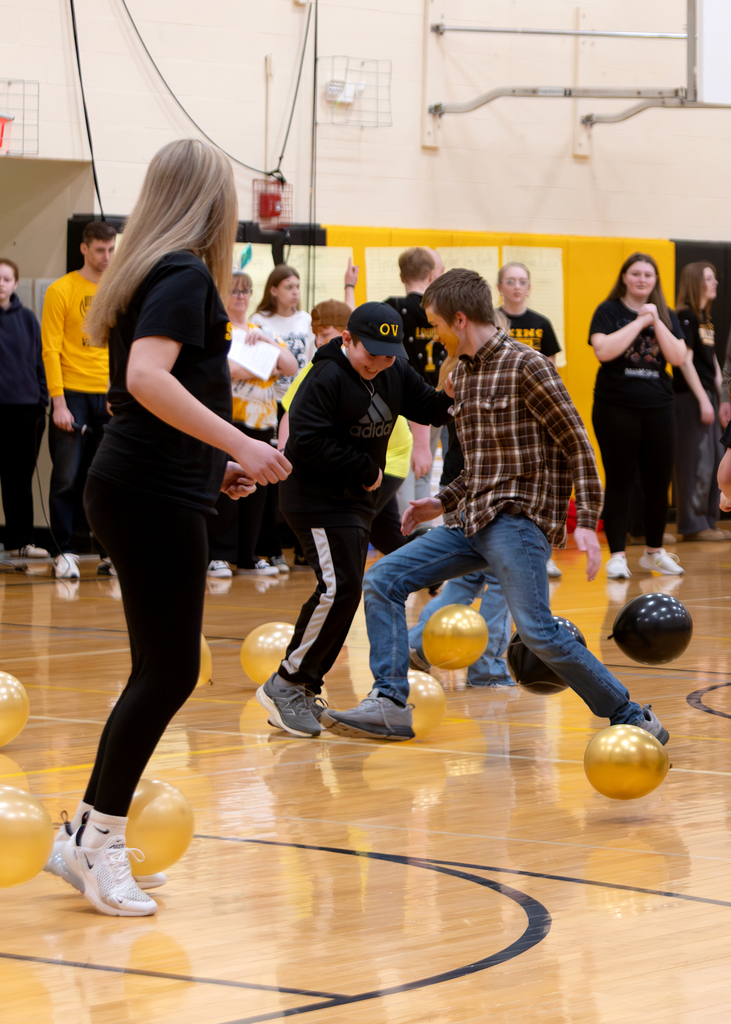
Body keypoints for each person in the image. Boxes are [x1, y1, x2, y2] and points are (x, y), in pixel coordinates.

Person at [44, 139, 290, 917]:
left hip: (151, 481)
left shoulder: (157, 269)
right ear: (211, 202)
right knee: (170, 670)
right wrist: (239, 443)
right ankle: (97, 843)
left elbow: (152, 390)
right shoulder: (184, 272)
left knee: (159, 666)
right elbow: (146, 379)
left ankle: (85, 833)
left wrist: (210, 465)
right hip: (147, 491)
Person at [321, 269, 669, 746]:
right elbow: (482, 469)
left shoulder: (529, 366)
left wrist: (588, 523)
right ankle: (388, 704)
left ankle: (630, 713)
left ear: (459, 319)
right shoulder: (460, 375)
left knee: (539, 633)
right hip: (471, 521)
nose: (434, 335)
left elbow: (578, 445)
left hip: (518, 521)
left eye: (437, 325)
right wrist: (437, 503)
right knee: (382, 579)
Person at [256, 301, 453, 739]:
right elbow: (304, 442)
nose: (379, 363)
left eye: (388, 355)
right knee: (339, 586)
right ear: (347, 339)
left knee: (345, 591)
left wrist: (455, 386)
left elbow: (431, 409)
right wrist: (366, 471)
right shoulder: (325, 377)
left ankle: (302, 683)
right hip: (314, 498)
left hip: (353, 501)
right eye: (371, 353)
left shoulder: (394, 372)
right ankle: (287, 683)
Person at [278, 298, 416, 558]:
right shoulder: (323, 368)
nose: (320, 341)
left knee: (353, 536)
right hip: (362, 463)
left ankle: (427, 568)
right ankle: (429, 571)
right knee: (384, 535)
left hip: (385, 461)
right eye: (316, 335)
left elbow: (422, 402)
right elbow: (292, 414)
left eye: (325, 334)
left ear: (346, 337)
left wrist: (422, 448)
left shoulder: (383, 364)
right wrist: (285, 455)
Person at [589, 253, 687, 579]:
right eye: (636, 273)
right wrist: (639, 322)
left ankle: (654, 552)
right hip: (615, 408)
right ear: (625, 277)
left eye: (649, 274)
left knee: (659, 483)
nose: (642, 279)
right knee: (621, 480)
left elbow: (677, 357)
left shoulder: (667, 315)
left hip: (658, 408)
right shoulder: (609, 311)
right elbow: (603, 351)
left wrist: (656, 321)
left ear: (655, 280)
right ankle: (617, 555)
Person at [207, 271, 298, 579]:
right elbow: (225, 369)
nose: (241, 296)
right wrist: (257, 366)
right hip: (230, 420)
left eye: (246, 291)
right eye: (235, 291)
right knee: (228, 487)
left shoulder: (260, 330)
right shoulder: (219, 330)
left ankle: (248, 555)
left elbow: (289, 365)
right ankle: (218, 555)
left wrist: (268, 342)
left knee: (256, 492)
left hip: (263, 419)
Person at [41, 220, 117, 579]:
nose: (106, 257)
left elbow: (123, 347)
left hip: (109, 394)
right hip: (71, 392)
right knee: (67, 477)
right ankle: (65, 550)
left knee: (107, 477)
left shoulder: (118, 290)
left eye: (111, 249)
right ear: (84, 249)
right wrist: (58, 402)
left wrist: (119, 390)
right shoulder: (62, 289)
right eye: (100, 250)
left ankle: (110, 552)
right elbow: (50, 348)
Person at [385, 247, 446, 513]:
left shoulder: (393, 308)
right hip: (436, 398)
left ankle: (406, 527)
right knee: (425, 465)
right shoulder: (442, 311)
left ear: (401, 277)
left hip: (402, 400)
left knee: (404, 466)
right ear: (432, 274)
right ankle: (420, 523)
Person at [673, 262, 730, 541]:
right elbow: (685, 360)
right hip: (690, 397)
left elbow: (713, 362)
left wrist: (722, 397)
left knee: (713, 459)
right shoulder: (685, 316)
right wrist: (703, 399)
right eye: (709, 278)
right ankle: (692, 525)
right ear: (696, 282)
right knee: (695, 461)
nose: (715, 283)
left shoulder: (706, 319)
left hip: (708, 395)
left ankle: (708, 520)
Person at [0, 258, 49, 558]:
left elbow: (39, 361)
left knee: (19, 479)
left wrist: (41, 398)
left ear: (15, 284)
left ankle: (21, 542)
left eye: (6, 279)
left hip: (27, 411)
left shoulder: (29, 318)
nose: (0, 284)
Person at [249, 264, 314, 398]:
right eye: (289, 287)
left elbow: (312, 359)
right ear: (274, 290)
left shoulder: (306, 319)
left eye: (297, 286)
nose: (296, 292)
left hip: (299, 397)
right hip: (268, 396)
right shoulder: (258, 320)